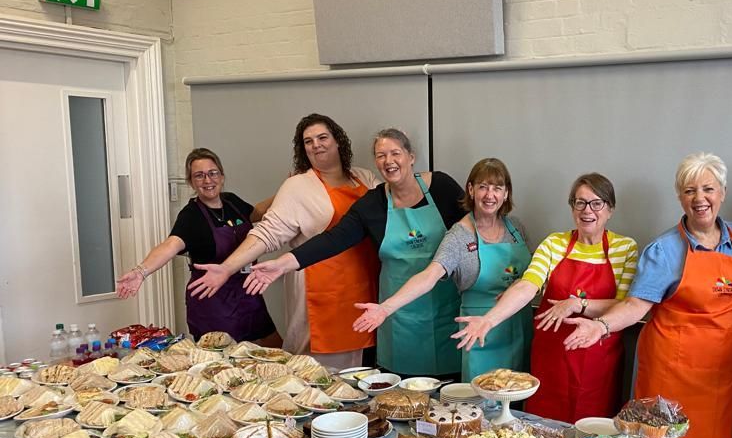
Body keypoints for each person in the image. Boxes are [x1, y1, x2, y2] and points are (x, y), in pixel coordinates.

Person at [562, 153, 732, 438]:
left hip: (721, 373)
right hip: (672, 373)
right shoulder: (664, 250)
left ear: (723, 193)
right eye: (690, 191)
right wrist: (600, 327)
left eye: (708, 189)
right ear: (680, 198)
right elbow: (635, 306)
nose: (700, 198)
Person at [242, 129, 467, 377]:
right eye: (381, 155)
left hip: (447, 307)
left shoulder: (442, 187)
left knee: (452, 390)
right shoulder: (372, 204)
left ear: (411, 157)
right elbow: (332, 240)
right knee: (403, 393)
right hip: (397, 314)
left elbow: (474, 227)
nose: (388, 161)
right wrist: (283, 264)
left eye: (395, 153)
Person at [185, 114, 380, 369]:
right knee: (320, 374)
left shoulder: (365, 179)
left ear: (338, 141)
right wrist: (228, 267)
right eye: (308, 141)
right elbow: (267, 232)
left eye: (322, 137)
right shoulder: (298, 186)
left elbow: (392, 213)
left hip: (369, 288)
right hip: (322, 292)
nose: (316, 145)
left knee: (368, 370)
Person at [454, 173, 637, 422]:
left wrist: (576, 304)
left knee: (591, 432)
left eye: (597, 203)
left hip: (598, 361)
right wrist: (489, 320)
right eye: (580, 202)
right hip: (551, 359)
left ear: (610, 209)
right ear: (572, 207)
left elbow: (624, 305)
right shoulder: (554, 243)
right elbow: (527, 286)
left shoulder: (625, 248)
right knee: (541, 430)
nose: (587, 210)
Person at [351, 158, 532, 381]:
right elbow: (430, 275)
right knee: (484, 401)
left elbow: (534, 275)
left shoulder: (517, 229)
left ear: (506, 194)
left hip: (519, 326)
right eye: (483, 187)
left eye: (497, 188)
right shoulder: (458, 235)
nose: (489, 195)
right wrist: (385, 308)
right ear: (471, 190)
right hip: (477, 333)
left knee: (520, 402)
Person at [116, 147, 279, 345]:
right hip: (213, 301)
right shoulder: (191, 216)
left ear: (222, 175)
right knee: (223, 364)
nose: (208, 180)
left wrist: (288, 189)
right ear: (191, 182)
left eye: (212, 173)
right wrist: (141, 271)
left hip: (248, 294)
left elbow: (256, 213)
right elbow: (169, 245)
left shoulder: (231, 201)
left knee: (274, 345)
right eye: (199, 176)